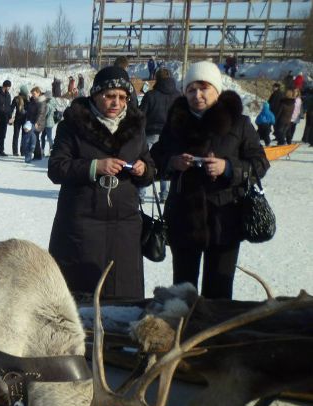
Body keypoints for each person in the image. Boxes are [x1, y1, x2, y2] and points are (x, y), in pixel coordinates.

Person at [150, 61, 268, 300]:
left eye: (204, 88)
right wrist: (173, 163)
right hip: (184, 219)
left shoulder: (240, 124)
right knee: (183, 291)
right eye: (191, 89)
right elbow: (155, 160)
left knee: (219, 293)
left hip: (225, 219)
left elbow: (260, 164)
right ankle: (183, 333)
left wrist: (228, 168)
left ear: (217, 90)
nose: (197, 95)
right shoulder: (175, 124)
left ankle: (214, 337)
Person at [48, 66, 155, 300]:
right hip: (81, 226)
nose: (116, 103)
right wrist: (95, 167)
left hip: (125, 228)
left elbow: (150, 165)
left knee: (123, 298)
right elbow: (56, 168)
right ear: (96, 95)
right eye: (109, 96)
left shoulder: (135, 127)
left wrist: (143, 169)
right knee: (80, 300)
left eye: (122, 97)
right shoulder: (72, 125)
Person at [138, 67, 180, 200]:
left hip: (151, 133)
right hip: (172, 135)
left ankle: (141, 193)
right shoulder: (178, 96)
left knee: (146, 163)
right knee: (166, 162)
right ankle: (165, 193)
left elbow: (141, 115)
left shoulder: (151, 95)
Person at [21, 86, 43, 163]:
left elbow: (40, 113)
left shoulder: (40, 102)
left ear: (38, 93)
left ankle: (37, 155)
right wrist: (27, 118)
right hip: (30, 122)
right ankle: (36, 155)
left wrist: (37, 122)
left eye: (34, 94)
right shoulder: (32, 102)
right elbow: (29, 111)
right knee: (31, 138)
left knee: (34, 138)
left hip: (37, 123)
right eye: (32, 94)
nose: (33, 95)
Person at [9, 84, 29, 156]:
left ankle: (15, 151)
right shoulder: (27, 99)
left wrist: (10, 117)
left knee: (16, 135)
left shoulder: (16, 98)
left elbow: (11, 108)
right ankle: (23, 151)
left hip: (17, 119)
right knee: (24, 135)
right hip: (24, 119)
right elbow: (29, 109)